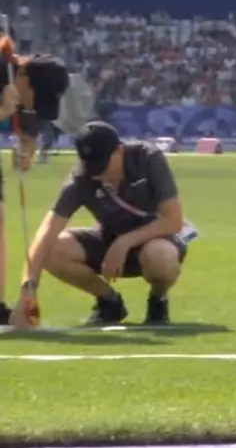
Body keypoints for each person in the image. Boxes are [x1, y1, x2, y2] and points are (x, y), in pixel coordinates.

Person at [8, 121, 196, 329]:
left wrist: (124, 242)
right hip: (108, 242)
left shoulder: (148, 159)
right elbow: (46, 233)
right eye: (90, 166)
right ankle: (109, 302)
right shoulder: (82, 178)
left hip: (156, 240)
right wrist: (28, 289)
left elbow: (173, 221)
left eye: (102, 165)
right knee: (53, 250)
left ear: (118, 150)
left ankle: (157, 301)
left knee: (160, 258)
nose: (96, 173)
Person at [0, 40, 71, 327]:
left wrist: (25, 153)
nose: (35, 104)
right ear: (23, 77)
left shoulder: (27, 90)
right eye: (36, 97)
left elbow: (27, 136)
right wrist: (3, 110)